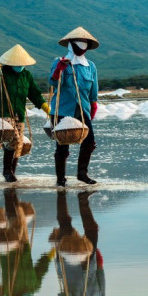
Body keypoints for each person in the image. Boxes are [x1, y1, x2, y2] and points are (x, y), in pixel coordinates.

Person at [0, 44, 50, 183]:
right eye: (17, 63)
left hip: (19, 114)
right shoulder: (1, 73)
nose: (20, 65)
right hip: (3, 114)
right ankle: (6, 171)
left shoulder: (26, 75)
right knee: (14, 140)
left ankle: (12, 172)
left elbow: (34, 94)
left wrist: (46, 107)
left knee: (19, 144)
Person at [49, 190, 108, 296]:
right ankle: (81, 200)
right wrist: (97, 255)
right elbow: (101, 275)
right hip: (86, 262)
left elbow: (62, 294)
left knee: (68, 227)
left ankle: (63, 196)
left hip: (73, 263)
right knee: (86, 229)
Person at [49, 27, 100, 186]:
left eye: (84, 44)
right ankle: (60, 179)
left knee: (89, 142)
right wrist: (59, 70)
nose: (82, 47)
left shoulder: (90, 66)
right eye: (79, 44)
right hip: (63, 109)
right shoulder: (60, 62)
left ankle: (82, 173)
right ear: (71, 45)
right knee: (63, 145)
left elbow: (93, 90)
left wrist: (93, 106)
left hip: (82, 109)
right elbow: (53, 82)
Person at [0, 189, 53, 296]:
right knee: (18, 221)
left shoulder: (9, 291)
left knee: (14, 220)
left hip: (7, 249)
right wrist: (49, 256)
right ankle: (11, 195)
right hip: (24, 246)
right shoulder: (34, 286)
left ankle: (10, 193)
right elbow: (41, 268)